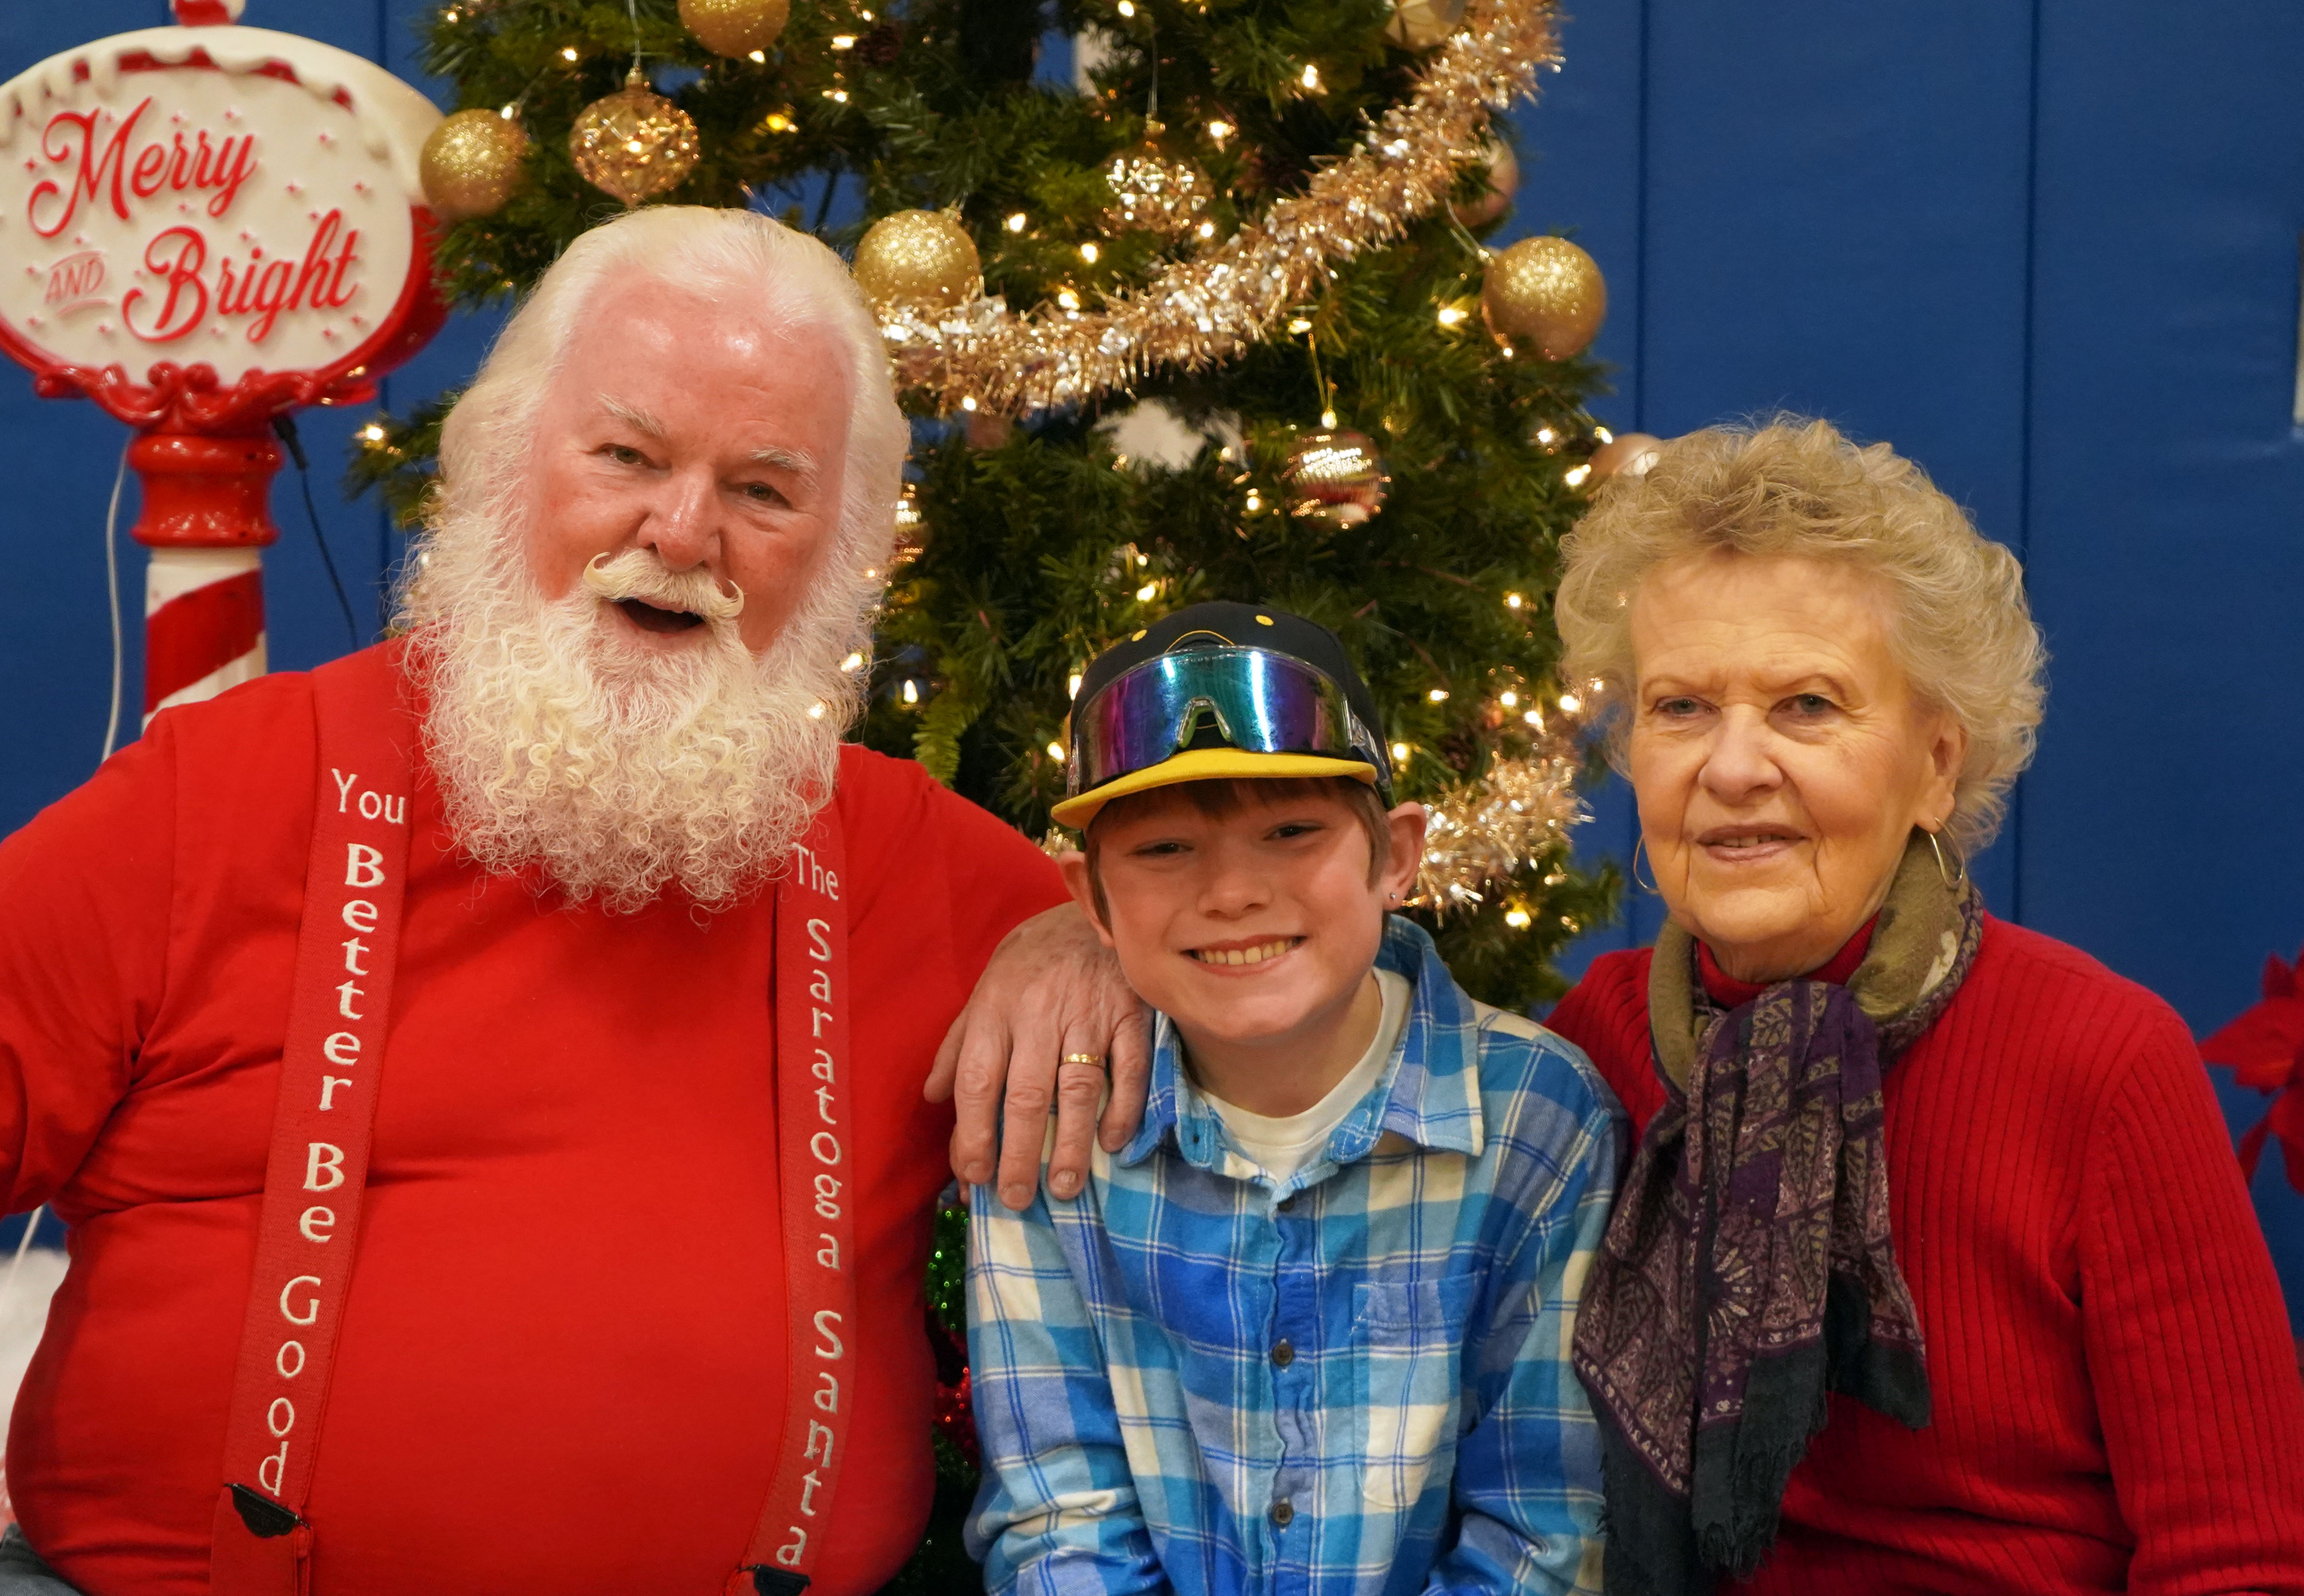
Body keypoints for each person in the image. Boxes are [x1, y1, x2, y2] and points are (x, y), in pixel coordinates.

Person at [0, 208, 1137, 1596]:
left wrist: (1088, 937)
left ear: (843, 554)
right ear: (497, 463)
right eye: (627, 456)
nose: (681, 531)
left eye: (766, 492)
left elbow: (1276, 959)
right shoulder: (214, 796)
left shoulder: (932, 870)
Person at [1542, 417, 2304, 1594]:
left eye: (1806, 704)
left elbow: (2243, 1557)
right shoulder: (1588, 1046)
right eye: (1680, 707)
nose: (1733, 767)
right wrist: (1139, 969)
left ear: (1936, 765)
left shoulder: (2098, 1060)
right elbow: (1319, 1045)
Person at [964, 603, 1618, 1596]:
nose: (1232, 892)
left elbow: (1544, 1531)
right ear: (1091, 900)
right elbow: (1060, 1517)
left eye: (1292, 829)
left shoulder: (1536, 1113)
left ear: (1396, 855)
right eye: (1164, 849)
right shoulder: (1056, 1122)